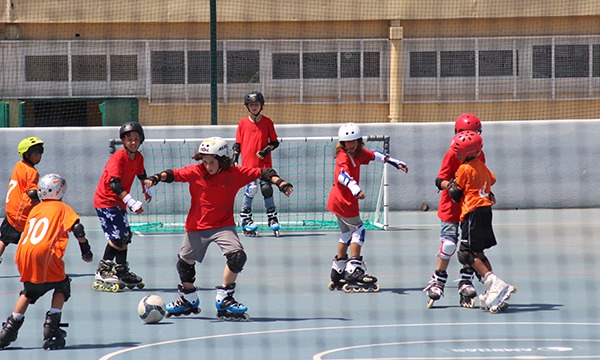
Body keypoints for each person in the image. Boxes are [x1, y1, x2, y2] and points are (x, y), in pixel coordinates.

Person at [144, 136, 293, 320]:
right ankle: (188, 299)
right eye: (205, 162)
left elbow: (265, 172)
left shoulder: (234, 173)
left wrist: (281, 183)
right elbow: (172, 174)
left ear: (222, 160)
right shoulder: (196, 171)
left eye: (212, 162)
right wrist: (156, 178)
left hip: (223, 225)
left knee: (238, 256)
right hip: (196, 226)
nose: (208, 166)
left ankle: (225, 298)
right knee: (184, 264)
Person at [0, 174, 93, 350]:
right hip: (45, 253)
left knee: (28, 291)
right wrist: (86, 250)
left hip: (23, 253)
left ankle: (8, 330)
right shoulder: (62, 208)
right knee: (62, 286)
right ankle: (52, 328)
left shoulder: (35, 209)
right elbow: (78, 229)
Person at [326, 123, 408, 293]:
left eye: (354, 141)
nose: (351, 145)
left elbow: (375, 155)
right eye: (347, 142)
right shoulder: (343, 156)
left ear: (358, 141)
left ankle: (338, 269)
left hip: (338, 201)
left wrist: (394, 162)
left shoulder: (358, 153)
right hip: (344, 201)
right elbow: (342, 175)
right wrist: (355, 189)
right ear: (342, 143)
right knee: (359, 230)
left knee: (347, 233)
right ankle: (354, 269)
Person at [447, 130, 517, 313]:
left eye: (458, 152)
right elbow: (491, 180)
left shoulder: (464, 169)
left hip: (472, 212)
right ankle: (494, 289)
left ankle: (495, 282)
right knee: (478, 252)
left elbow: (455, 194)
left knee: (465, 253)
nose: (456, 154)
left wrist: (452, 184)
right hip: (485, 211)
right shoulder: (482, 166)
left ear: (467, 153)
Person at [424, 113, 485, 308]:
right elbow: (439, 179)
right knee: (449, 243)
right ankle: (438, 279)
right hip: (451, 207)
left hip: (471, 208)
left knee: (470, 248)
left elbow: (482, 178)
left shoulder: (480, 154)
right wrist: (451, 187)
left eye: (475, 133)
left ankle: (466, 280)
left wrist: (487, 194)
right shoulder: (452, 154)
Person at [92, 122, 150, 292]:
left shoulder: (138, 157)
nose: (133, 142)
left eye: (136, 139)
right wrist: (131, 201)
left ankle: (121, 270)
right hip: (106, 201)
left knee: (126, 236)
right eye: (129, 139)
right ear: (123, 141)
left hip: (118, 203)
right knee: (117, 237)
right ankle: (102, 270)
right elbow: (114, 184)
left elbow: (141, 174)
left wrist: (145, 189)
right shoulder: (118, 158)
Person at [232, 91, 281, 237]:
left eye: (256, 104)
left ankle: (272, 218)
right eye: (251, 105)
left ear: (261, 106)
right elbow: (238, 143)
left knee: (267, 189)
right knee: (251, 189)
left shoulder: (267, 122)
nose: (254, 107)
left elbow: (274, 142)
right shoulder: (242, 123)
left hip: (264, 164)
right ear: (247, 106)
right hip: (248, 164)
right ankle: (246, 218)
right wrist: (235, 158)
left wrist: (266, 150)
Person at [0, 136, 44, 265]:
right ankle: (32, 263)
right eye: (36, 153)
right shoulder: (31, 172)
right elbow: (32, 192)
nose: (39, 156)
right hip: (21, 213)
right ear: (27, 154)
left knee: (4, 238)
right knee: (32, 238)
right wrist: (39, 206)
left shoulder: (19, 165)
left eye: (41, 153)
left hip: (11, 208)